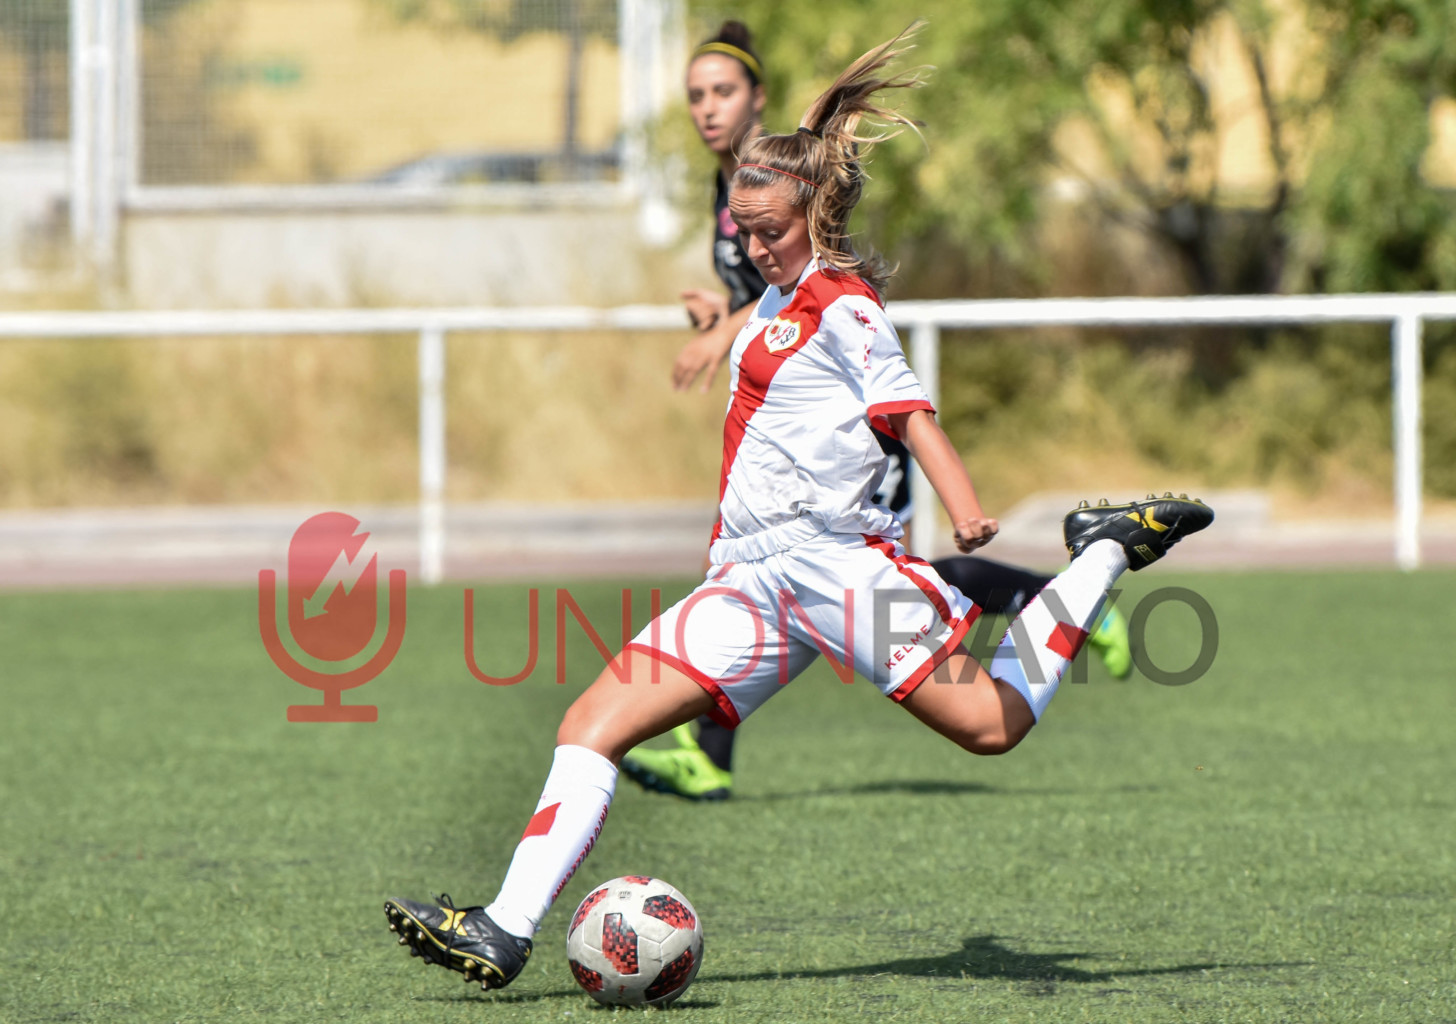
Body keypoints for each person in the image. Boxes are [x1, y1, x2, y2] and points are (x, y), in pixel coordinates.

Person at [382, 25, 1213, 992]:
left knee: (991, 724)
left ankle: (1102, 553)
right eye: (745, 231)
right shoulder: (772, 305)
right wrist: (721, 314)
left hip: (838, 571)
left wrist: (969, 512)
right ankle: (503, 929)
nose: (756, 244)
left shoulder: (846, 306)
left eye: (771, 231)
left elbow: (913, 418)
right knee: (589, 724)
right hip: (747, 578)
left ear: (814, 219)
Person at [620, 20, 1132, 803]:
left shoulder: (781, 181)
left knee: (878, 571)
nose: (705, 109)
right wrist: (721, 311)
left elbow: (819, 307)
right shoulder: (730, 193)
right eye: (694, 95)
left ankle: (1053, 595)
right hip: (789, 445)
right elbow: (772, 303)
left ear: (757, 99)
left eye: (722, 92)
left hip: (843, 433)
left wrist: (727, 326)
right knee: (778, 572)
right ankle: (708, 751)